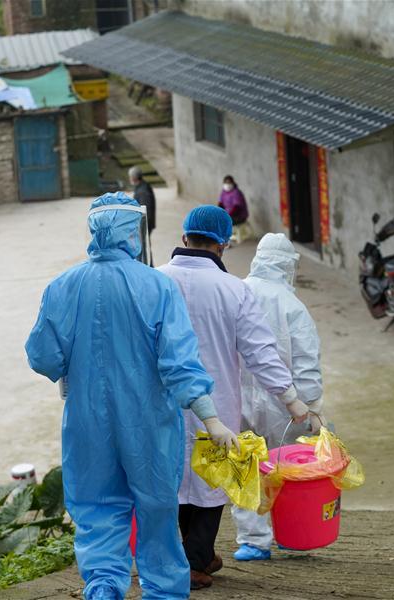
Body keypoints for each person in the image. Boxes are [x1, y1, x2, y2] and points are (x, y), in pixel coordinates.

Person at [25, 193, 237, 600]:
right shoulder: (157, 285)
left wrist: (69, 369)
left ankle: (103, 588)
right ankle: (164, 592)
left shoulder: (62, 286)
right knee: (157, 507)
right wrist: (211, 418)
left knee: (96, 508)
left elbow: (42, 356)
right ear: (132, 233)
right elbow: (180, 362)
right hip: (150, 422)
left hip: (86, 420)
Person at [157, 205, 309, 590]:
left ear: (183, 237)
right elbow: (260, 352)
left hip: (164, 404)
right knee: (213, 480)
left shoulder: (155, 282)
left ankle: (198, 555)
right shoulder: (233, 289)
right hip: (217, 404)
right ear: (224, 244)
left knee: (177, 478)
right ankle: (193, 561)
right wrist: (290, 397)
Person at [232, 233, 326, 562]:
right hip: (285, 406)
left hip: (237, 398)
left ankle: (253, 541)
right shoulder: (292, 306)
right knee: (285, 472)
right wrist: (312, 407)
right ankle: (289, 532)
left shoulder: (235, 292)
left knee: (245, 468)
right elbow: (306, 362)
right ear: (288, 266)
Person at [129, 166, 156, 233]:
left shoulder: (143, 191)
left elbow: (146, 211)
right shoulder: (141, 186)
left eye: (130, 177)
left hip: (145, 225)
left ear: (134, 178)